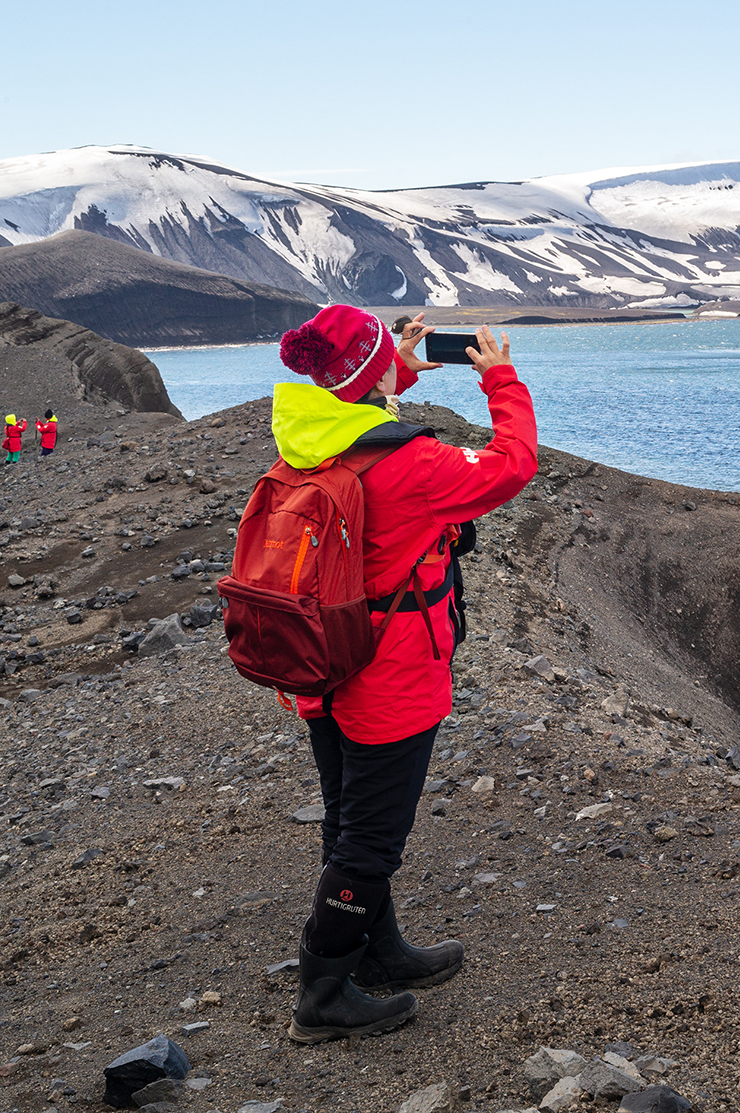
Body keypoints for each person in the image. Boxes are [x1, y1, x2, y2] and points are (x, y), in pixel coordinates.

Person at [268, 304, 535, 1044]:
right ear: (372, 374)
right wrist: (501, 381)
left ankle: (376, 954)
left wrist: (390, 376)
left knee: (348, 821)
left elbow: (360, 429)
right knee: (371, 843)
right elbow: (514, 465)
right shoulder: (409, 464)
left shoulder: (308, 436)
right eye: (389, 352)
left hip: (326, 670)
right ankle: (322, 993)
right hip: (389, 675)